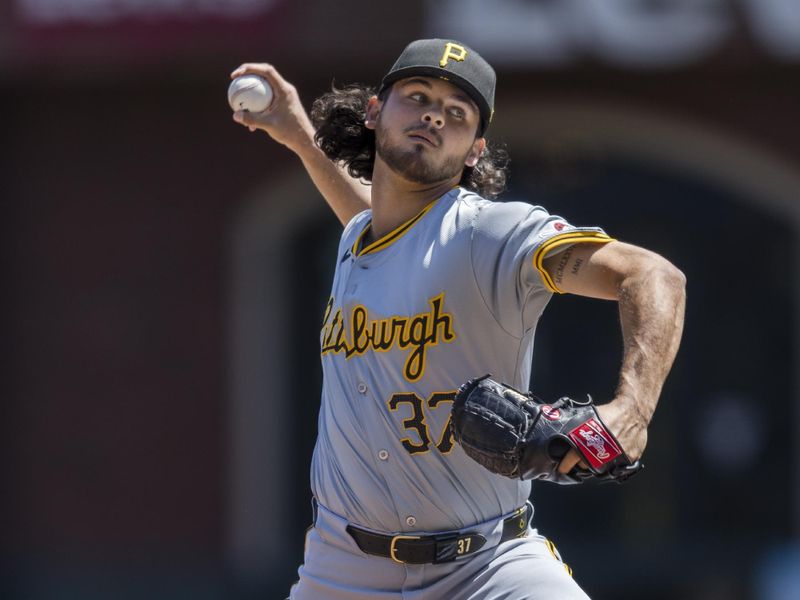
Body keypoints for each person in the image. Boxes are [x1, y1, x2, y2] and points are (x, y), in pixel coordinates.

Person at [231, 39, 686, 600]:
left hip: (489, 567)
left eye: (457, 114)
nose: (432, 116)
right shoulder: (362, 239)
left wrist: (632, 410)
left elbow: (653, 275)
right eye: (417, 96)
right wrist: (299, 132)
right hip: (342, 571)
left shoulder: (489, 233)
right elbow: (371, 219)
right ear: (375, 112)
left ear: (475, 150)